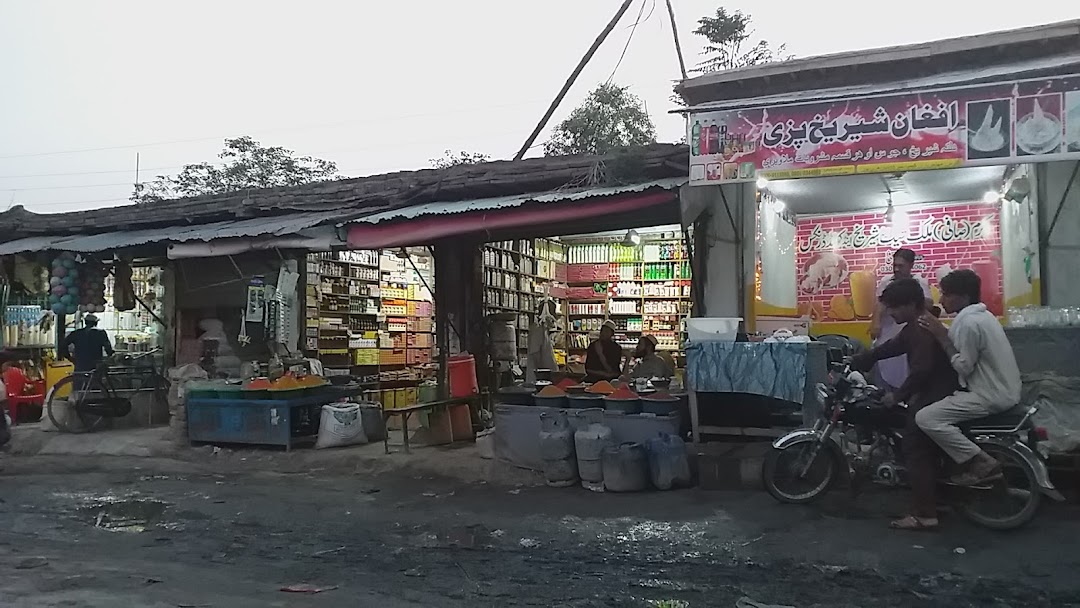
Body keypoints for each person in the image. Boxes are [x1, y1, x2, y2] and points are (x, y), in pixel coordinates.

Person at [852, 278, 960, 530]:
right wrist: (863, 359)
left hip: (936, 393)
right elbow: (892, 347)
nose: (890, 313)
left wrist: (897, 396)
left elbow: (921, 371)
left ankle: (925, 514)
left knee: (914, 446)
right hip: (934, 391)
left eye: (895, 308)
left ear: (912, 305)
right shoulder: (914, 326)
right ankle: (936, 498)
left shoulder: (921, 328)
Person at [915, 269, 1021, 485]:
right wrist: (941, 330)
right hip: (1005, 389)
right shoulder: (981, 316)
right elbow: (958, 338)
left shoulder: (969, 323)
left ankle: (981, 461)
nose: (941, 299)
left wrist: (941, 337)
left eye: (945, 294)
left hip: (990, 395)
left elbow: (964, 366)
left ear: (963, 297)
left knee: (926, 418)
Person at [870, 248, 933, 393]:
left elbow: (929, 305)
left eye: (901, 266)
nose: (896, 269)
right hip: (887, 336)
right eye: (894, 266)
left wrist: (909, 294)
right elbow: (880, 304)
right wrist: (876, 322)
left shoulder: (919, 283)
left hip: (910, 338)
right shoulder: (887, 282)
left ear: (911, 265)